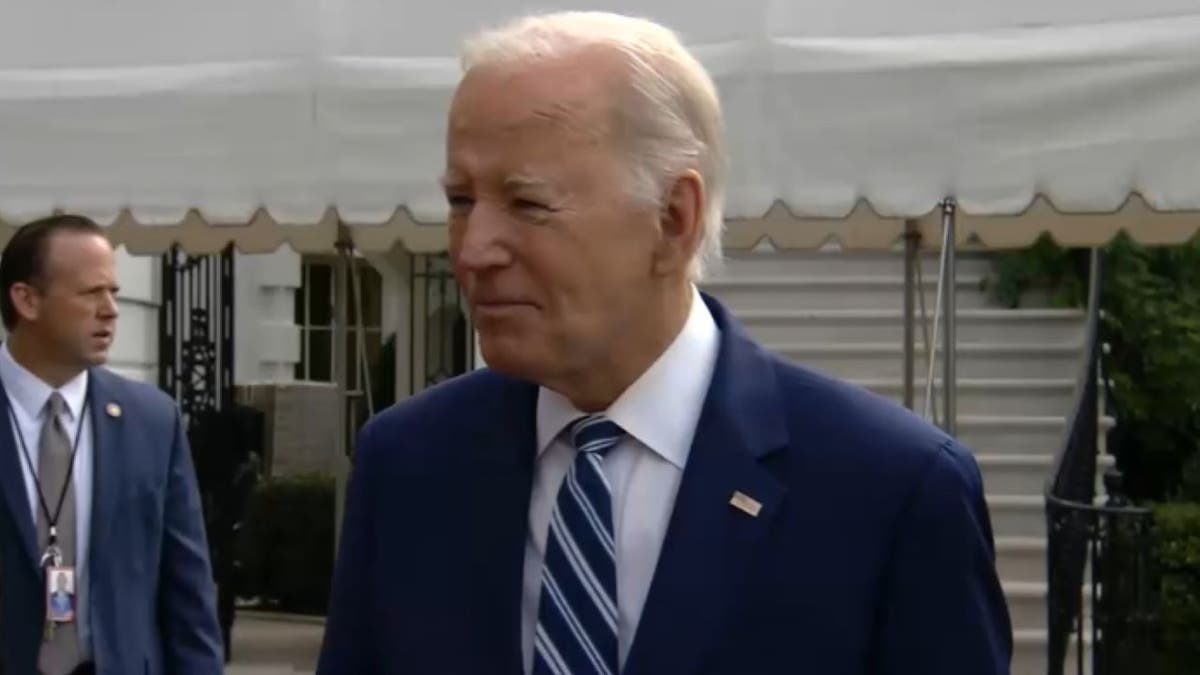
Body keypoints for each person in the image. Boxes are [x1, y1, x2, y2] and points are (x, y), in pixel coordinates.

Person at [317, 11, 1012, 675]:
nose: (473, 250)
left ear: (673, 220)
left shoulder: (891, 491)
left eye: (528, 203)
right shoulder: (407, 467)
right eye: (461, 200)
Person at [0, 215, 223, 674]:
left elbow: (188, 590)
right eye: (90, 293)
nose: (110, 309)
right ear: (26, 299)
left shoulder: (151, 420)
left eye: (114, 293)